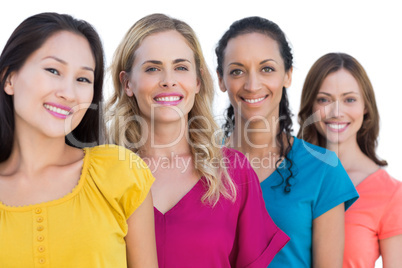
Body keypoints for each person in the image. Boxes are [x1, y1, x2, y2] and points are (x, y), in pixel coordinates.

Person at [107, 13, 289, 268]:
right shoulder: (101, 173)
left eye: (181, 67)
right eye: (152, 68)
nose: (168, 80)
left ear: (197, 81)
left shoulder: (235, 173)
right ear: (127, 83)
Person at [0, 12, 158, 267]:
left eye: (83, 79)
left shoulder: (121, 173)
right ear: (9, 78)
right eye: (53, 70)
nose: (69, 93)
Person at [216, 16, 359, 267]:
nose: (252, 84)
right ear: (220, 79)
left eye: (267, 69)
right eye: (237, 71)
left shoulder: (323, 169)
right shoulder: (200, 165)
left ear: (288, 75)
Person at [298, 52, 402, 267]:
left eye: (349, 99)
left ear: (365, 107)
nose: (336, 112)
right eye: (324, 99)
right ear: (310, 107)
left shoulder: (391, 194)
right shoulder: (288, 175)